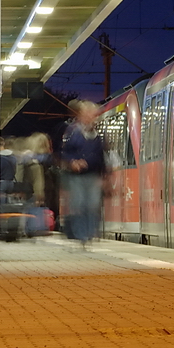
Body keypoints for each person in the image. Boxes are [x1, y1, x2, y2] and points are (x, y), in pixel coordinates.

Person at [60, 101, 107, 245]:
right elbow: (64, 152)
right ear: (81, 115)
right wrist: (73, 162)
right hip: (77, 177)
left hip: (93, 175)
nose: (91, 117)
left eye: (93, 114)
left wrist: (104, 175)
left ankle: (90, 234)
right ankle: (81, 236)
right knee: (79, 205)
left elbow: (102, 155)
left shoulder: (97, 134)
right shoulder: (72, 132)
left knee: (92, 205)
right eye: (88, 114)